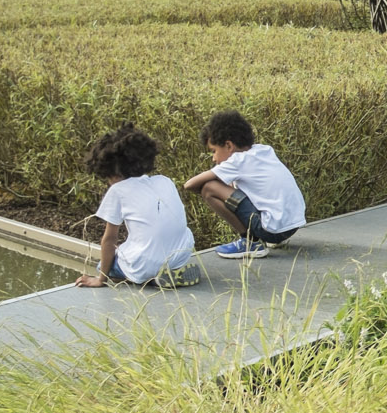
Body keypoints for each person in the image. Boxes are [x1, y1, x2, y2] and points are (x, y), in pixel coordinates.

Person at [75, 124, 199, 288]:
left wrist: (100, 279)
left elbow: (109, 239)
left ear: (114, 172)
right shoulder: (164, 180)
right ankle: (170, 272)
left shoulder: (118, 190)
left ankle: (152, 279)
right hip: (182, 253)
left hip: (145, 265)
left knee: (105, 264)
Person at [183, 110, 307, 259]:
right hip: (292, 225)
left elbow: (188, 185)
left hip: (272, 231)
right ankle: (266, 238)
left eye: (214, 151)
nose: (213, 158)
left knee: (209, 188)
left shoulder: (238, 161)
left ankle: (250, 242)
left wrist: (208, 191)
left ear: (229, 145)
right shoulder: (263, 150)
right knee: (226, 187)